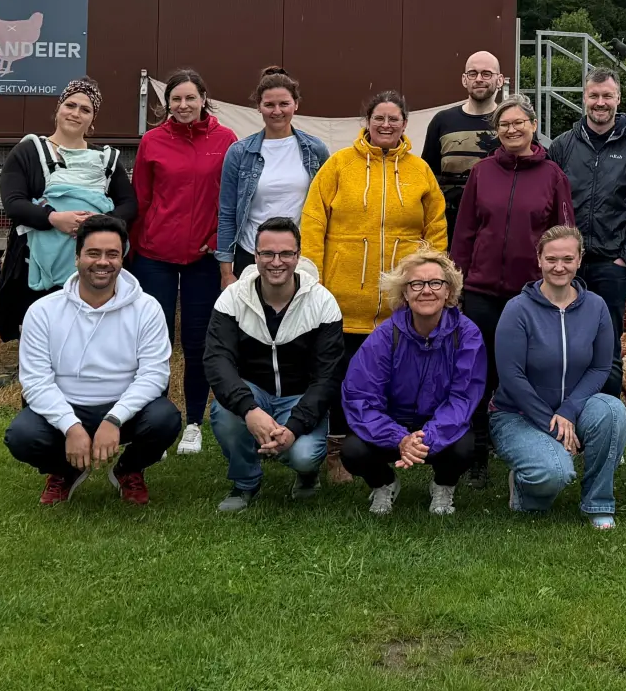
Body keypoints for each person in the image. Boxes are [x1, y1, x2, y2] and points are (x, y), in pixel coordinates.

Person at [300, 90, 449, 481]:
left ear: (404, 124)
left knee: (388, 377)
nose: (386, 125)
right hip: (343, 297)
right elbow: (314, 222)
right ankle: (337, 448)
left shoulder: (420, 171)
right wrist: (312, 276)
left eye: (394, 119)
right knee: (341, 374)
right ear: (366, 121)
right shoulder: (338, 166)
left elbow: (435, 229)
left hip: (401, 304)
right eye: (378, 118)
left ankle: (389, 441)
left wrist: (431, 279)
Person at [4, 216, 179, 506]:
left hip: (125, 409)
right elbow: (35, 381)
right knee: (22, 435)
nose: (103, 262)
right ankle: (66, 471)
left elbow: (154, 375)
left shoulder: (147, 308)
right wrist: (70, 426)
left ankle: (128, 469)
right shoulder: (42, 311)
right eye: (93, 253)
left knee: (166, 419)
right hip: (68, 404)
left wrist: (114, 418)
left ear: (122, 258)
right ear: (77, 258)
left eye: (112, 254)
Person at [451, 95, 575, 486]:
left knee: (525, 372)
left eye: (519, 122)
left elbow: (565, 235)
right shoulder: (481, 173)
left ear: (533, 126)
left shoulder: (553, 175)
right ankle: (477, 454)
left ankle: (536, 444)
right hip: (483, 291)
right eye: (504, 124)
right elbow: (465, 230)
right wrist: (458, 280)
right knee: (478, 371)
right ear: (496, 131)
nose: (512, 129)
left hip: (531, 296)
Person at [127, 69, 238, 455]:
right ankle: (153, 422)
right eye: (176, 99)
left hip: (203, 259)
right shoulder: (152, 142)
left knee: (197, 341)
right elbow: (140, 197)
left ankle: (193, 422)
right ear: (167, 104)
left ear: (204, 98)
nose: (184, 105)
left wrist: (217, 240)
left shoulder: (226, 141)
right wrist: (134, 247)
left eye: (191, 98)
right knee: (153, 342)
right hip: (154, 256)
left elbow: (233, 199)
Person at [491, 226, 626, 529]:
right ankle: (526, 491)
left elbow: (600, 367)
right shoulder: (517, 310)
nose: (559, 267)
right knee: (554, 473)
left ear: (580, 260)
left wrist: (568, 411)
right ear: (539, 259)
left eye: (568, 258)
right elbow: (512, 376)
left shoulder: (596, 307)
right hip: (518, 415)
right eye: (551, 259)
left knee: (613, 411)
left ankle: (598, 502)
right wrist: (553, 425)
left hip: (573, 410)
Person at [203, 217, 345, 512]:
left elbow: (327, 379)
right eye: (267, 254)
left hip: (301, 398)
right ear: (255, 257)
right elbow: (218, 362)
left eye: (286, 254)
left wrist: (293, 427)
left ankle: (306, 474)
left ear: (298, 256)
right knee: (224, 413)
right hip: (255, 394)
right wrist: (250, 410)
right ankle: (245, 483)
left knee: (304, 455)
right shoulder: (232, 298)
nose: (276, 262)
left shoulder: (322, 302)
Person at [340, 248, 486, 516]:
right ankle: (384, 483)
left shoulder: (467, 335)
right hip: (393, 425)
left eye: (436, 283)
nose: (426, 290)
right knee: (352, 450)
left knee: (466, 446)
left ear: (448, 292)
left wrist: (424, 438)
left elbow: (463, 398)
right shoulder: (385, 336)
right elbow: (361, 397)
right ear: (405, 293)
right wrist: (399, 438)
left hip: (439, 425)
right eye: (416, 284)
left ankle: (443, 485)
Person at [0, 78, 137, 342]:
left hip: (91, 263)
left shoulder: (106, 161)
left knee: (89, 331)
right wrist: (53, 218)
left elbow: (129, 203)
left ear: (93, 120)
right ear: (58, 110)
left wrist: (102, 223)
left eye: (85, 109)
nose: (76, 113)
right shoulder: (28, 152)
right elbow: (13, 202)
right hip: (34, 261)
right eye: (70, 105)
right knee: (42, 329)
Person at [547, 67, 626, 399]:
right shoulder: (563, 146)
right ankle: (563, 416)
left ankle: (607, 419)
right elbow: (548, 203)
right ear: (584, 98)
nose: (600, 103)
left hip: (612, 264)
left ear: (618, 99)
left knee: (606, 347)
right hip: (567, 265)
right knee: (562, 342)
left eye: (607, 96)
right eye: (594, 96)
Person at [216, 67, 330, 289]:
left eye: (284, 104)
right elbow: (227, 213)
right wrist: (226, 272)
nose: (277, 111)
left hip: (299, 258)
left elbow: (327, 209)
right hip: (251, 255)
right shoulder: (239, 153)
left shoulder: (315, 150)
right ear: (258, 106)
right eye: (269, 105)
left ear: (296, 104)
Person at [421, 51, 504, 238]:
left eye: (486, 74)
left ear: (499, 80)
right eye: (473, 73)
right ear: (464, 80)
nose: (479, 79)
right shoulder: (442, 122)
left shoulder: (511, 123)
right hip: (449, 229)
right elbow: (428, 177)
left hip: (498, 228)